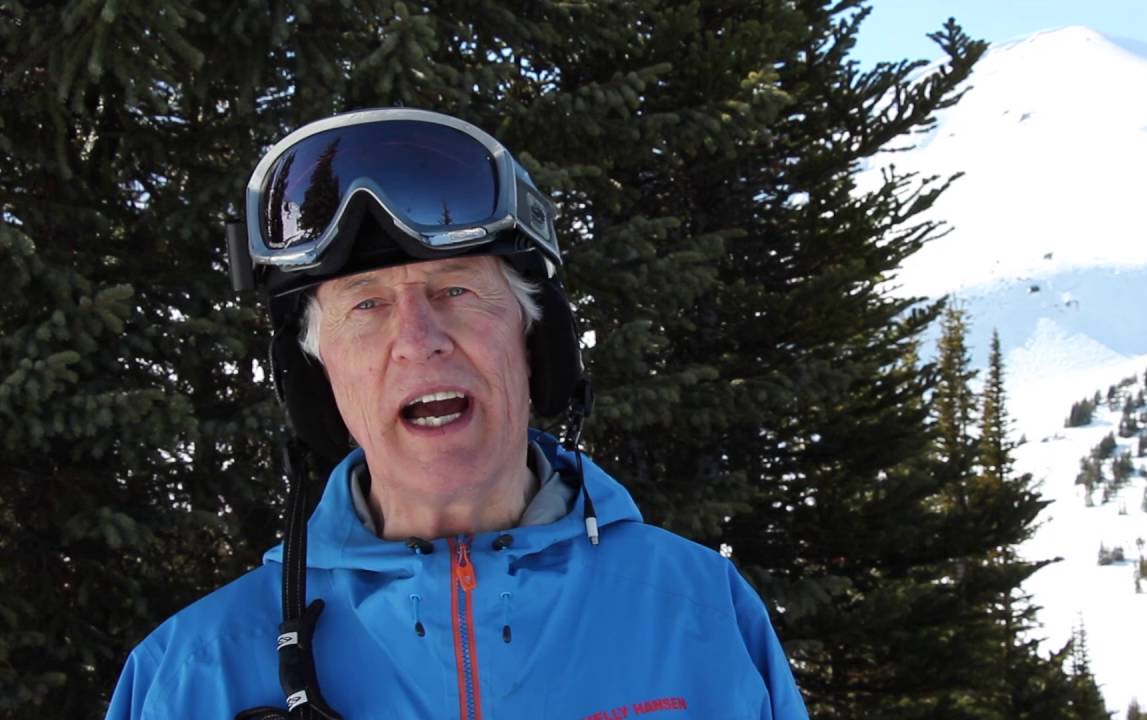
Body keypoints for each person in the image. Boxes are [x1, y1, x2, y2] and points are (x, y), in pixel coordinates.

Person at [106, 108, 808, 719]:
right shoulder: (191, 673)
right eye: (366, 306)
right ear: (321, 382)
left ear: (535, 345)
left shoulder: (702, 614)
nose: (417, 341)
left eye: (457, 291)